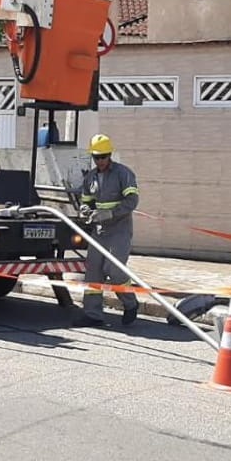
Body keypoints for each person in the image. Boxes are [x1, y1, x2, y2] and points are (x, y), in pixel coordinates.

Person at [74, 133, 140, 327]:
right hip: (99, 231)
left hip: (119, 229)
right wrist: (85, 210)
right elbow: (86, 201)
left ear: (109, 155)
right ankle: (93, 315)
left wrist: (110, 213)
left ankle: (130, 303)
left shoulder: (123, 174)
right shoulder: (91, 177)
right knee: (93, 271)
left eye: (103, 157)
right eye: (96, 157)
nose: (100, 161)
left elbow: (132, 200)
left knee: (115, 270)